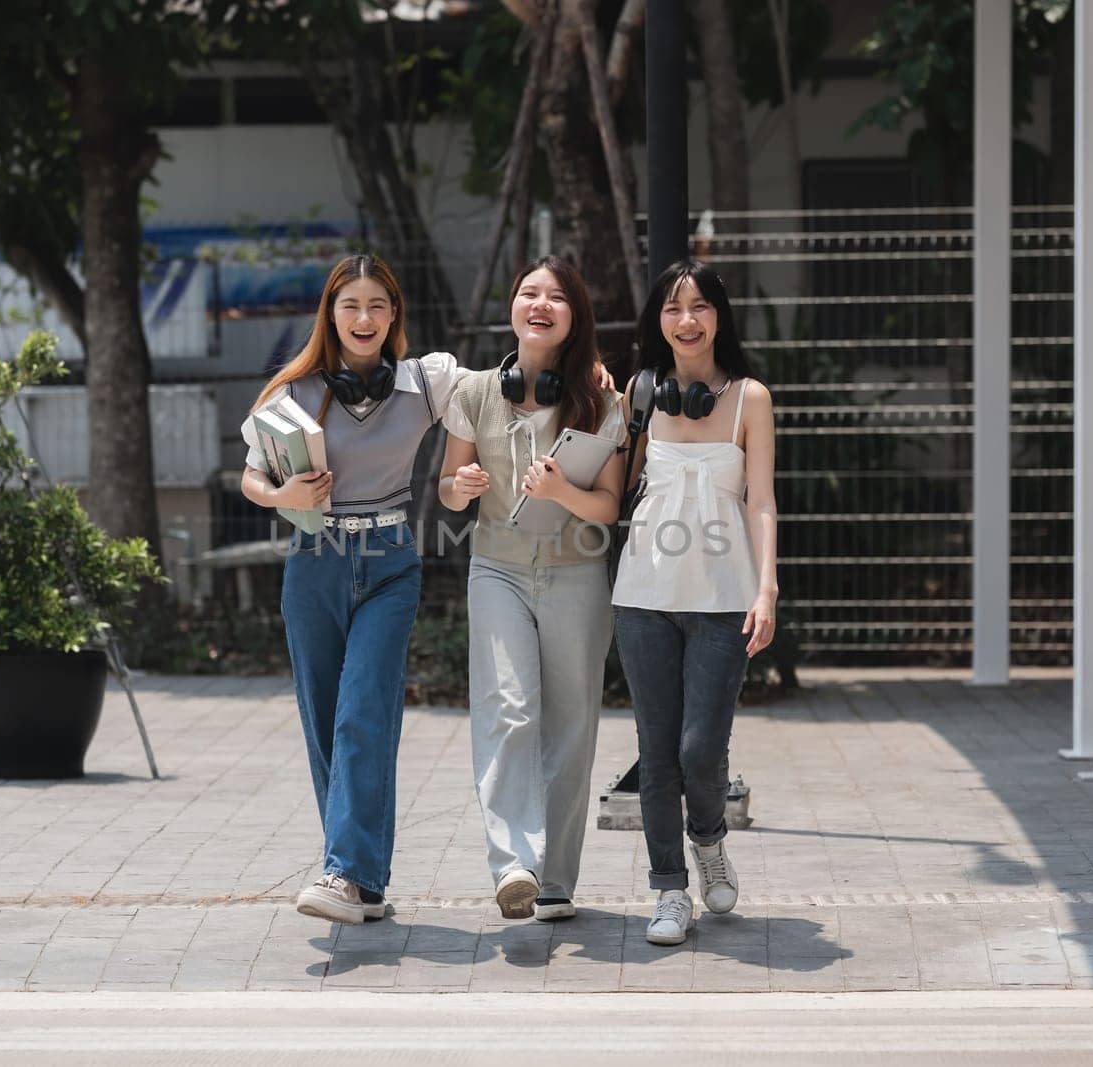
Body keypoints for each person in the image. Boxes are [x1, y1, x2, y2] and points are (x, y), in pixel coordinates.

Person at [239, 253, 459, 925]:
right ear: (330, 315)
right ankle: (364, 880)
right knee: (327, 723)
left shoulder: (428, 381)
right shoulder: (295, 392)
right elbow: (250, 476)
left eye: (377, 305)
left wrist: (582, 372)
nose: (363, 318)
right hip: (314, 561)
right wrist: (283, 491)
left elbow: (501, 389)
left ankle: (340, 871)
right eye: (349, 305)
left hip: (391, 560)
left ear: (395, 315)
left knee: (364, 711)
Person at [438, 256, 626, 922]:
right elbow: (447, 487)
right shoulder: (474, 392)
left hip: (576, 572)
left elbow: (608, 506)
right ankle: (513, 863)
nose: (540, 304)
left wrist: (561, 490)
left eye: (556, 297)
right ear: (512, 308)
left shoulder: (604, 399)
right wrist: (457, 488)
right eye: (528, 293)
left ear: (575, 315)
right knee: (508, 709)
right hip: (498, 570)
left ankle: (555, 881)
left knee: (571, 727)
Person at [612, 258, 779, 945]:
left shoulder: (750, 398)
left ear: (719, 315)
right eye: (674, 308)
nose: (687, 320)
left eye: (699, 306)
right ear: (659, 320)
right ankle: (669, 891)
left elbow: (762, 499)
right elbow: (612, 474)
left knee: (700, 749)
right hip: (645, 596)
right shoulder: (641, 394)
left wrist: (767, 585)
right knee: (656, 755)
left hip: (723, 597)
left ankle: (708, 840)